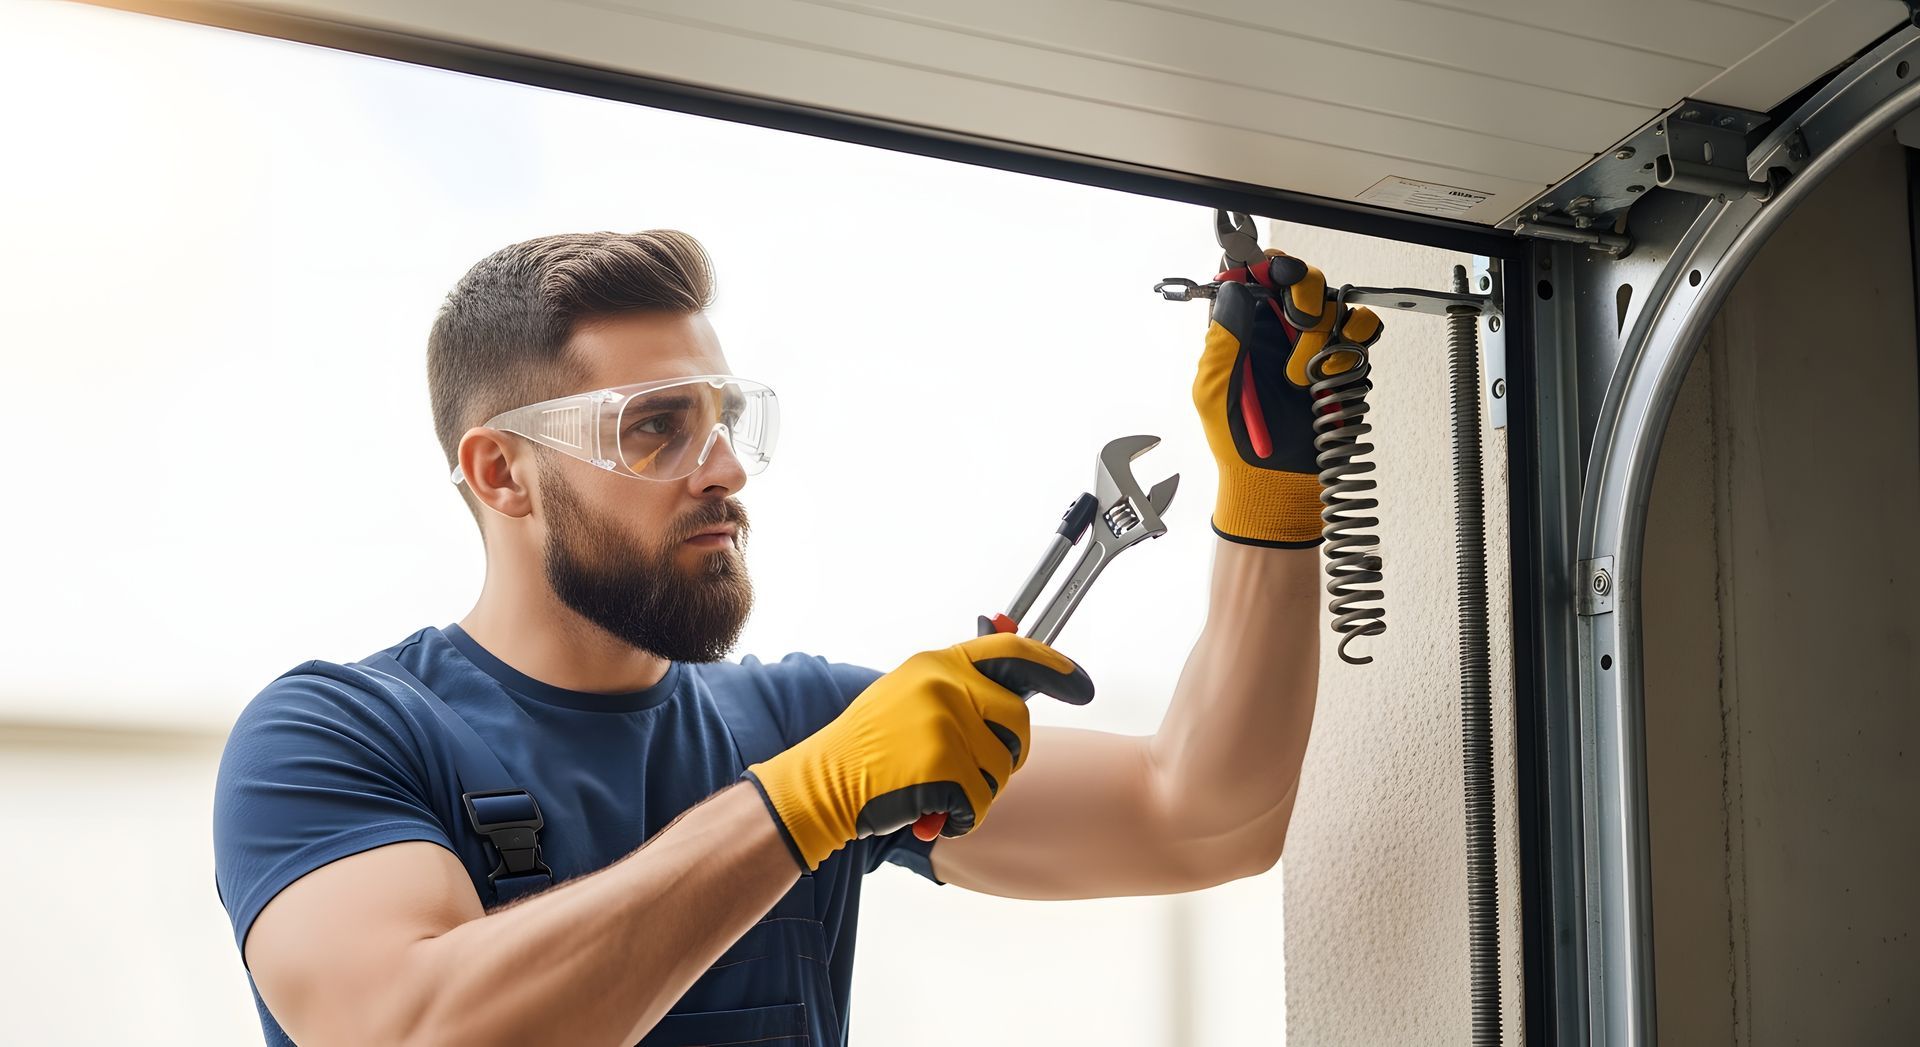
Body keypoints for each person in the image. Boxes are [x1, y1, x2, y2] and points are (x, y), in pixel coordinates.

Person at [212, 230, 1382, 1046]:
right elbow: (411, 1034)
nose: (722, 471)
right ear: (501, 471)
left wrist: (1273, 503)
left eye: (728, 423)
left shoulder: (798, 724)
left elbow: (1204, 818)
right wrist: (802, 805)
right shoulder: (335, 737)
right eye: (656, 429)